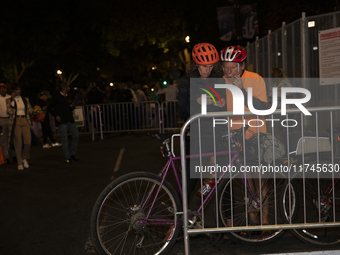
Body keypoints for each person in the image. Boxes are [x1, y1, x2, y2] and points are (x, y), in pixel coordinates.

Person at [220, 45, 269, 226]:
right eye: (225, 67)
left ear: (242, 65)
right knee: (246, 183)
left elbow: (263, 107)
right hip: (235, 137)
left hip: (256, 135)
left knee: (260, 183)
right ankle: (252, 221)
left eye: (232, 67)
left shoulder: (255, 79)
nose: (228, 71)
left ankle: (265, 223)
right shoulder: (223, 81)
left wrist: (241, 90)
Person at [178, 42, 225, 202]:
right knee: (190, 181)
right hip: (197, 134)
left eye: (211, 66)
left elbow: (222, 108)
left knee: (225, 183)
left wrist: (222, 104)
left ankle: (228, 224)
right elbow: (182, 111)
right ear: (196, 64)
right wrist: (198, 101)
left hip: (217, 133)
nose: (208, 70)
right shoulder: (186, 81)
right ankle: (176, 221)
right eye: (204, 66)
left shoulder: (218, 80)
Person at [47, 83, 79, 163]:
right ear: (64, 88)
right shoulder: (56, 97)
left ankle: (72, 153)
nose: (69, 88)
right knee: (65, 139)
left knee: (76, 135)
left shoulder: (68, 96)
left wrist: (72, 107)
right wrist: (55, 115)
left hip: (69, 119)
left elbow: (68, 107)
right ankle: (67, 156)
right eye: (67, 87)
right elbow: (49, 107)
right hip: (62, 121)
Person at [6, 83, 34, 170]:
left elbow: (30, 110)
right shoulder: (8, 100)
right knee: (18, 142)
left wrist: (34, 112)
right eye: (17, 89)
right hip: (15, 121)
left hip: (25, 120)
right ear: (13, 90)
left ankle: (24, 158)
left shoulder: (25, 99)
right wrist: (13, 100)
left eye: (19, 89)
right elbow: (10, 111)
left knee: (28, 141)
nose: (18, 91)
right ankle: (19, 162)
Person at [0, 83, 11, 164]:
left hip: (10, 119)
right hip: (1, 120)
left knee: (12, 138)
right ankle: (6, 157)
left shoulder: (10, 97)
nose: (2, 89)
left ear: (6, 89)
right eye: (1, 88)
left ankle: (14, 155)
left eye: (3, 88)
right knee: (3, 139)